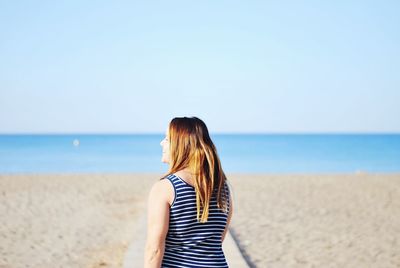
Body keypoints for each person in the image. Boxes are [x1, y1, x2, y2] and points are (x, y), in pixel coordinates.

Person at [144, 116, 233, 268]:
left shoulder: (166, 188)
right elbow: (217, 239)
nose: (162, 143)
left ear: (180, 144)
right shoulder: (222, 187)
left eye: (167, 139)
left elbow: (155, 249)